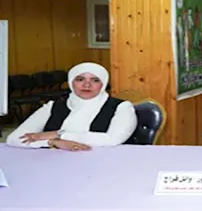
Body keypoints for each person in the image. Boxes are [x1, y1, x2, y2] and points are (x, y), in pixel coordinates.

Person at [7, 62, 137, 150]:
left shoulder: (121, 107)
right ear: (71, 82)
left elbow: (112, 140)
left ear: (103, 84)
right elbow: (13, 139)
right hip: (54, 164)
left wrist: (59, 134)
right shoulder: (53, 106)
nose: (87, 85)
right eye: (80, 79)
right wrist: (52, 142)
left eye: (95, 80)